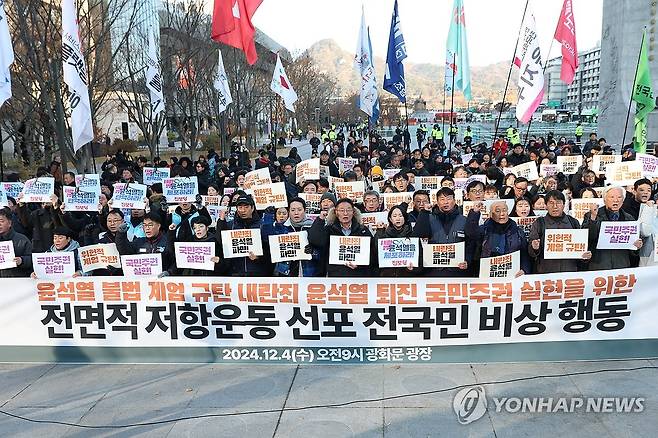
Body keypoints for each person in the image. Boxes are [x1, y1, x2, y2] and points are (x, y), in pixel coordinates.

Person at [527, 190, 592, 274]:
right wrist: (534, 247)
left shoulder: (573, 222)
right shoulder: (539, 223)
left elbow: (580, 250)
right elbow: (531, 252)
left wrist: (585, 256)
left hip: (570, 272)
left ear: (564, 205)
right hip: (546, 273)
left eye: (558, 203)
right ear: (546, 205)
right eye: (551, 203)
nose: (555, 206)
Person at [412, 188, 472, 277]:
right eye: (442, 199)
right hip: (433, 270)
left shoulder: (464, 220)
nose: (445, 202)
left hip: (457, 270)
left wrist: (467, 260)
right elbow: (417, 236)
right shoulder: (428, 218)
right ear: (437, 202)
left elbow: (470, 244)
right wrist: (424, 212)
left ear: (455, 201)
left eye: (449, 199)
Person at [581, 186, 643, 270]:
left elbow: (633, 251)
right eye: (612, 197)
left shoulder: (629, 218)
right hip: (599, 265)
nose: (616, 200)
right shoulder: (592, 215)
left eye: (619, 197)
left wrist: (636, 246)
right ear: (604, 200)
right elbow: (589, 236)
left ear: (623, 200)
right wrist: (593, 217)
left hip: (622, 266)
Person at [308, 198, 372, 277]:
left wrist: (360, 264)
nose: (345, 213)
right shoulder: (329, 229)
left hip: (358, 276)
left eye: (348, 210)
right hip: (335, 275)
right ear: (336, 212)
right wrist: (320, 220)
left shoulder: (363, 230)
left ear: (353, 212)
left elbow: (372, 253)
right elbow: (315, 241)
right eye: (341, 210)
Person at [466, 200, 531, 277]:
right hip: (487, 275)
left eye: (504, 210)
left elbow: (524, 254)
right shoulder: (484, 230)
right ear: (491, 214)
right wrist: (475, 213)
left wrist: (524, 269)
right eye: (497, 211)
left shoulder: (518, 232)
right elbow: (470, 232)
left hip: (512, 275)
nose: (502, 214)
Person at [216, 194, 271, 276]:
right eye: (240, 207)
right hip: (235, 273)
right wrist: (221, 220)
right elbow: (221, 242)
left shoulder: (262, 226)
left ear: (252, 208)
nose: (243, 210)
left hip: (257, 274)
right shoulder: (230, 225)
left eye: (246, 207)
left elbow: (270, 251)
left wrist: (258, 258)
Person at [372, 203, 416, 277]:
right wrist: (379, 231)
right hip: (387, 277)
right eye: (394, 216)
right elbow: (376, 253)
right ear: (390, 219)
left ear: (405, 218)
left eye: (400, 216)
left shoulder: (412, 236)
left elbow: (419, 259)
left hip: (407, 278)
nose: (398, 218)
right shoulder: (383, 235)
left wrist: (413, 268)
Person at [0, 207, 32, 278]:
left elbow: (32, 260)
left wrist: (22, 260)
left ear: (10, 223)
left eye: (1, 221)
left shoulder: (22, 239)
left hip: (16, 282)